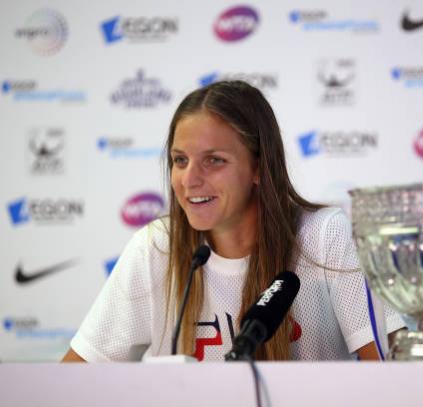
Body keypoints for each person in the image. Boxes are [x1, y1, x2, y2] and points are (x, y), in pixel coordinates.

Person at [62, 80, 403, 362]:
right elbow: (70, 383)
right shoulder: (156, 247)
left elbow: (388, 373)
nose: (189, 179)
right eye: (180, 160)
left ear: (258, 167)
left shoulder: (323, 235)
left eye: (214, 160)